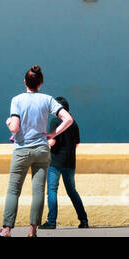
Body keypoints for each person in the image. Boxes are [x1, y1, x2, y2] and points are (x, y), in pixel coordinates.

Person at [0, 65, 73, 238]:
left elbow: (15, 128)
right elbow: (68, 119)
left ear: (25, 81)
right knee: (38, 190)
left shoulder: (17, 100)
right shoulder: (47, 99)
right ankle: (32, 230)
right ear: (40, 83)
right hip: (41, 150)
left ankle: (6, 229)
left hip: (22, 151)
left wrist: (8, 121)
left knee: (13, 190)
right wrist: (53, 133)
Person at [40, 96, 89, 230]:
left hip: (55, 161)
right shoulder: (74, 123)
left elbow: (52, 141)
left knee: (52, 190)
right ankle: (83, 220)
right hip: (70, 162)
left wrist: (44, 143)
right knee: (72, 191)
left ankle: (51, 221)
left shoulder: (56, 121)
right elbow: (77, 143)